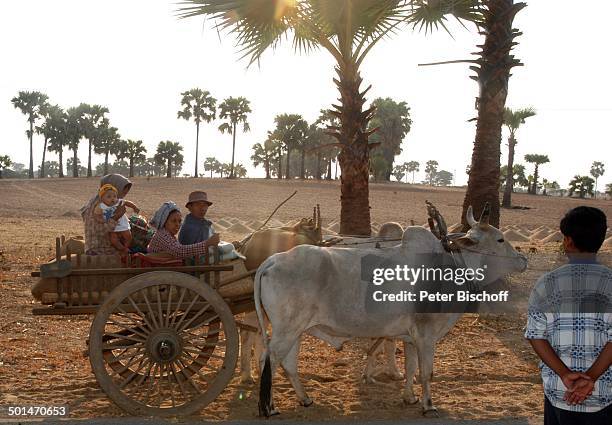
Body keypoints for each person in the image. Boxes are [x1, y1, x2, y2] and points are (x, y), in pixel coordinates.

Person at [525, 206, 611, 425]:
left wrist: (565, 374)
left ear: (568, 241)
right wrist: (591, 377)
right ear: (600, 240)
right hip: (605, 394)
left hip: (560, 392)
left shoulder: (546, 283)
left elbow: (536, 335)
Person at [80, 174, 133, 255]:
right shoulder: (99, 206)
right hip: (100, 248)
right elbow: (100, 230)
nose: (121, 197)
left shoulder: (106, 201)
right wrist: (117, 216)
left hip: (104, 245)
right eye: (122, 193)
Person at [148, 201, 219, 259]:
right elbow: (180, 251)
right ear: (164, 221)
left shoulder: (169, 235)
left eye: (179, 221)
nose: (177, 225)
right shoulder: (162, 235)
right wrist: (207, 244)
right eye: (173, 221)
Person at [95, 184, 140, 255]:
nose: (113, 198)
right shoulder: (101, 206)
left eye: (114, 196)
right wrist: (100, 219)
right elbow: (97, 214)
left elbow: (128, 203)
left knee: (128, 237)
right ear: (102, 198)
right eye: (109, 197)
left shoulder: (119, 202)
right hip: (112, 225)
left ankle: (126, 247)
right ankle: (122, 248)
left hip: (122, 223)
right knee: (113, 239)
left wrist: (135, 207)